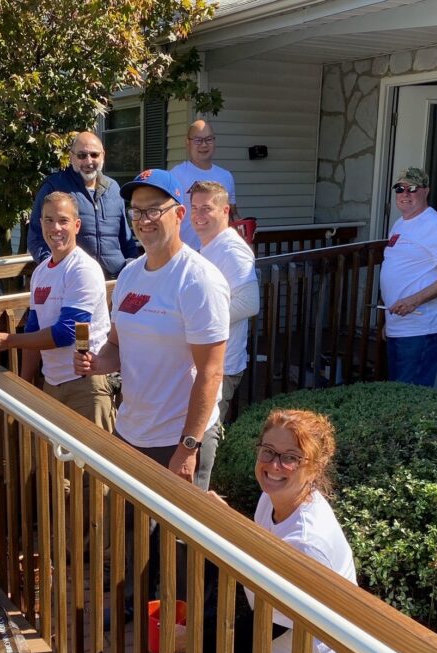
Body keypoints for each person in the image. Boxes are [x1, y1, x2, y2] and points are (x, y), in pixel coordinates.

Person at [175, 409, 388, 653]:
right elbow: (260, 555)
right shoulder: (277, 497)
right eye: (269, 451)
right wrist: (227, 522)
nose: (275, 465)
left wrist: (198, 637)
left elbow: (268, 628)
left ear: (316, 465)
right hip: (286, 652)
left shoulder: (307, 540)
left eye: (291, 457)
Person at [75, 169, 229, 611]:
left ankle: (179, 625)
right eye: (136, 211)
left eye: (154, 210)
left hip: (177, 436)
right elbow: (118, 348)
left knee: (180, 540)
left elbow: (211, 373)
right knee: (128, 528)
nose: (143, 219)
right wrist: (95, 362)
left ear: (179, 213)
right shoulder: (129, 275)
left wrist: (188, 445)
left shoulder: (197, 280)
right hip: (132, 430)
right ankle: (129, 602)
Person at [0, 192, 113, 430]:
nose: (55, 227)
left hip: (86, 384)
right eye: (48, 220)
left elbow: (67, 333)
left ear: (77, 225)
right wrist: (23, 384)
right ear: (40, 224)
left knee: (95, 465)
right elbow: (34, 331)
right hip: (52, 383)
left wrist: (8, 340)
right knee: (57, 464)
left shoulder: (83, 269)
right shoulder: (40, 273)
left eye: (63, 220)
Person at [379, 167, 437, 387]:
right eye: (400, 188)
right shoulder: (399, 224)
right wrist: (390, 322)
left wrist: (414, 300)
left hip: (421, 329)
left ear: (426, 191)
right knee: (397, 393)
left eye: (412, 188)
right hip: (399, 325)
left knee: (410, 400)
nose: (405, 193)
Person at [190, 181, 259, 423]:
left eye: (206, 208)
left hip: (222, 366)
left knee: (205, 435)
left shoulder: (231, 249)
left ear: (225, 210)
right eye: (194, 207)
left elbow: (250, 303)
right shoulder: (209, 244)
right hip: (203, 363)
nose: (198, 215)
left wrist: (198, 324)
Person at [27, 132, 138, 278]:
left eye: (94, 154)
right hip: (75, 280)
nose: (88, 161)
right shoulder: (54, 187)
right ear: (71, 156)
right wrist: (56, 271)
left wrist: (133, 267)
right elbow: (36, 238)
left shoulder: (114, 188)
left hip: (116, 280)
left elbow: (125, 238)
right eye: (81, 155)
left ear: (103, 155)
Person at [171, 119, 238, 251]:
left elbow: (232, 215)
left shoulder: (226, 176)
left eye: (209, 139)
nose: (204, 145)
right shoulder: (175, 175)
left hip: (220, 252)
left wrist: (244, 232)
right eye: (198, 140)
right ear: (188, 142)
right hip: (187, 252)